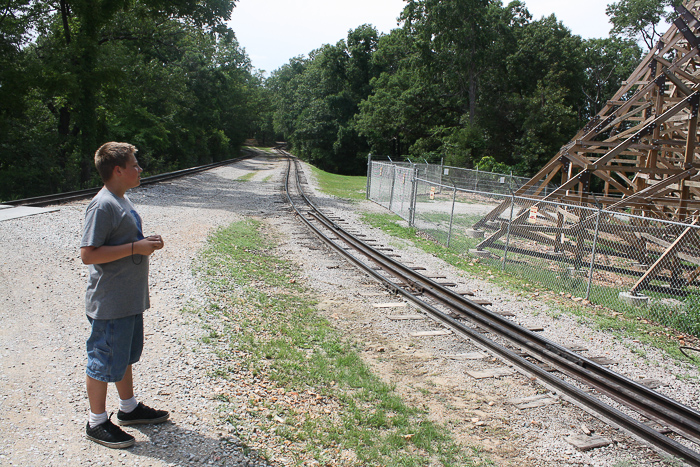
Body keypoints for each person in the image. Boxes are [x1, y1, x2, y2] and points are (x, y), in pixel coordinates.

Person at [80, 142, 169, 449]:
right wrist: (135, 248)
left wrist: (143, 242)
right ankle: (96, 422)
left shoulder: (120, 199)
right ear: (118, 170)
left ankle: (128, 409)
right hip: (111, 302)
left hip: (127, 299)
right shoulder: (103, 205)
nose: (139, 169)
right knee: (102, 361)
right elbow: (88, 254)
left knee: (123, 357)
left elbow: (120, 241)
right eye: (135, 164)